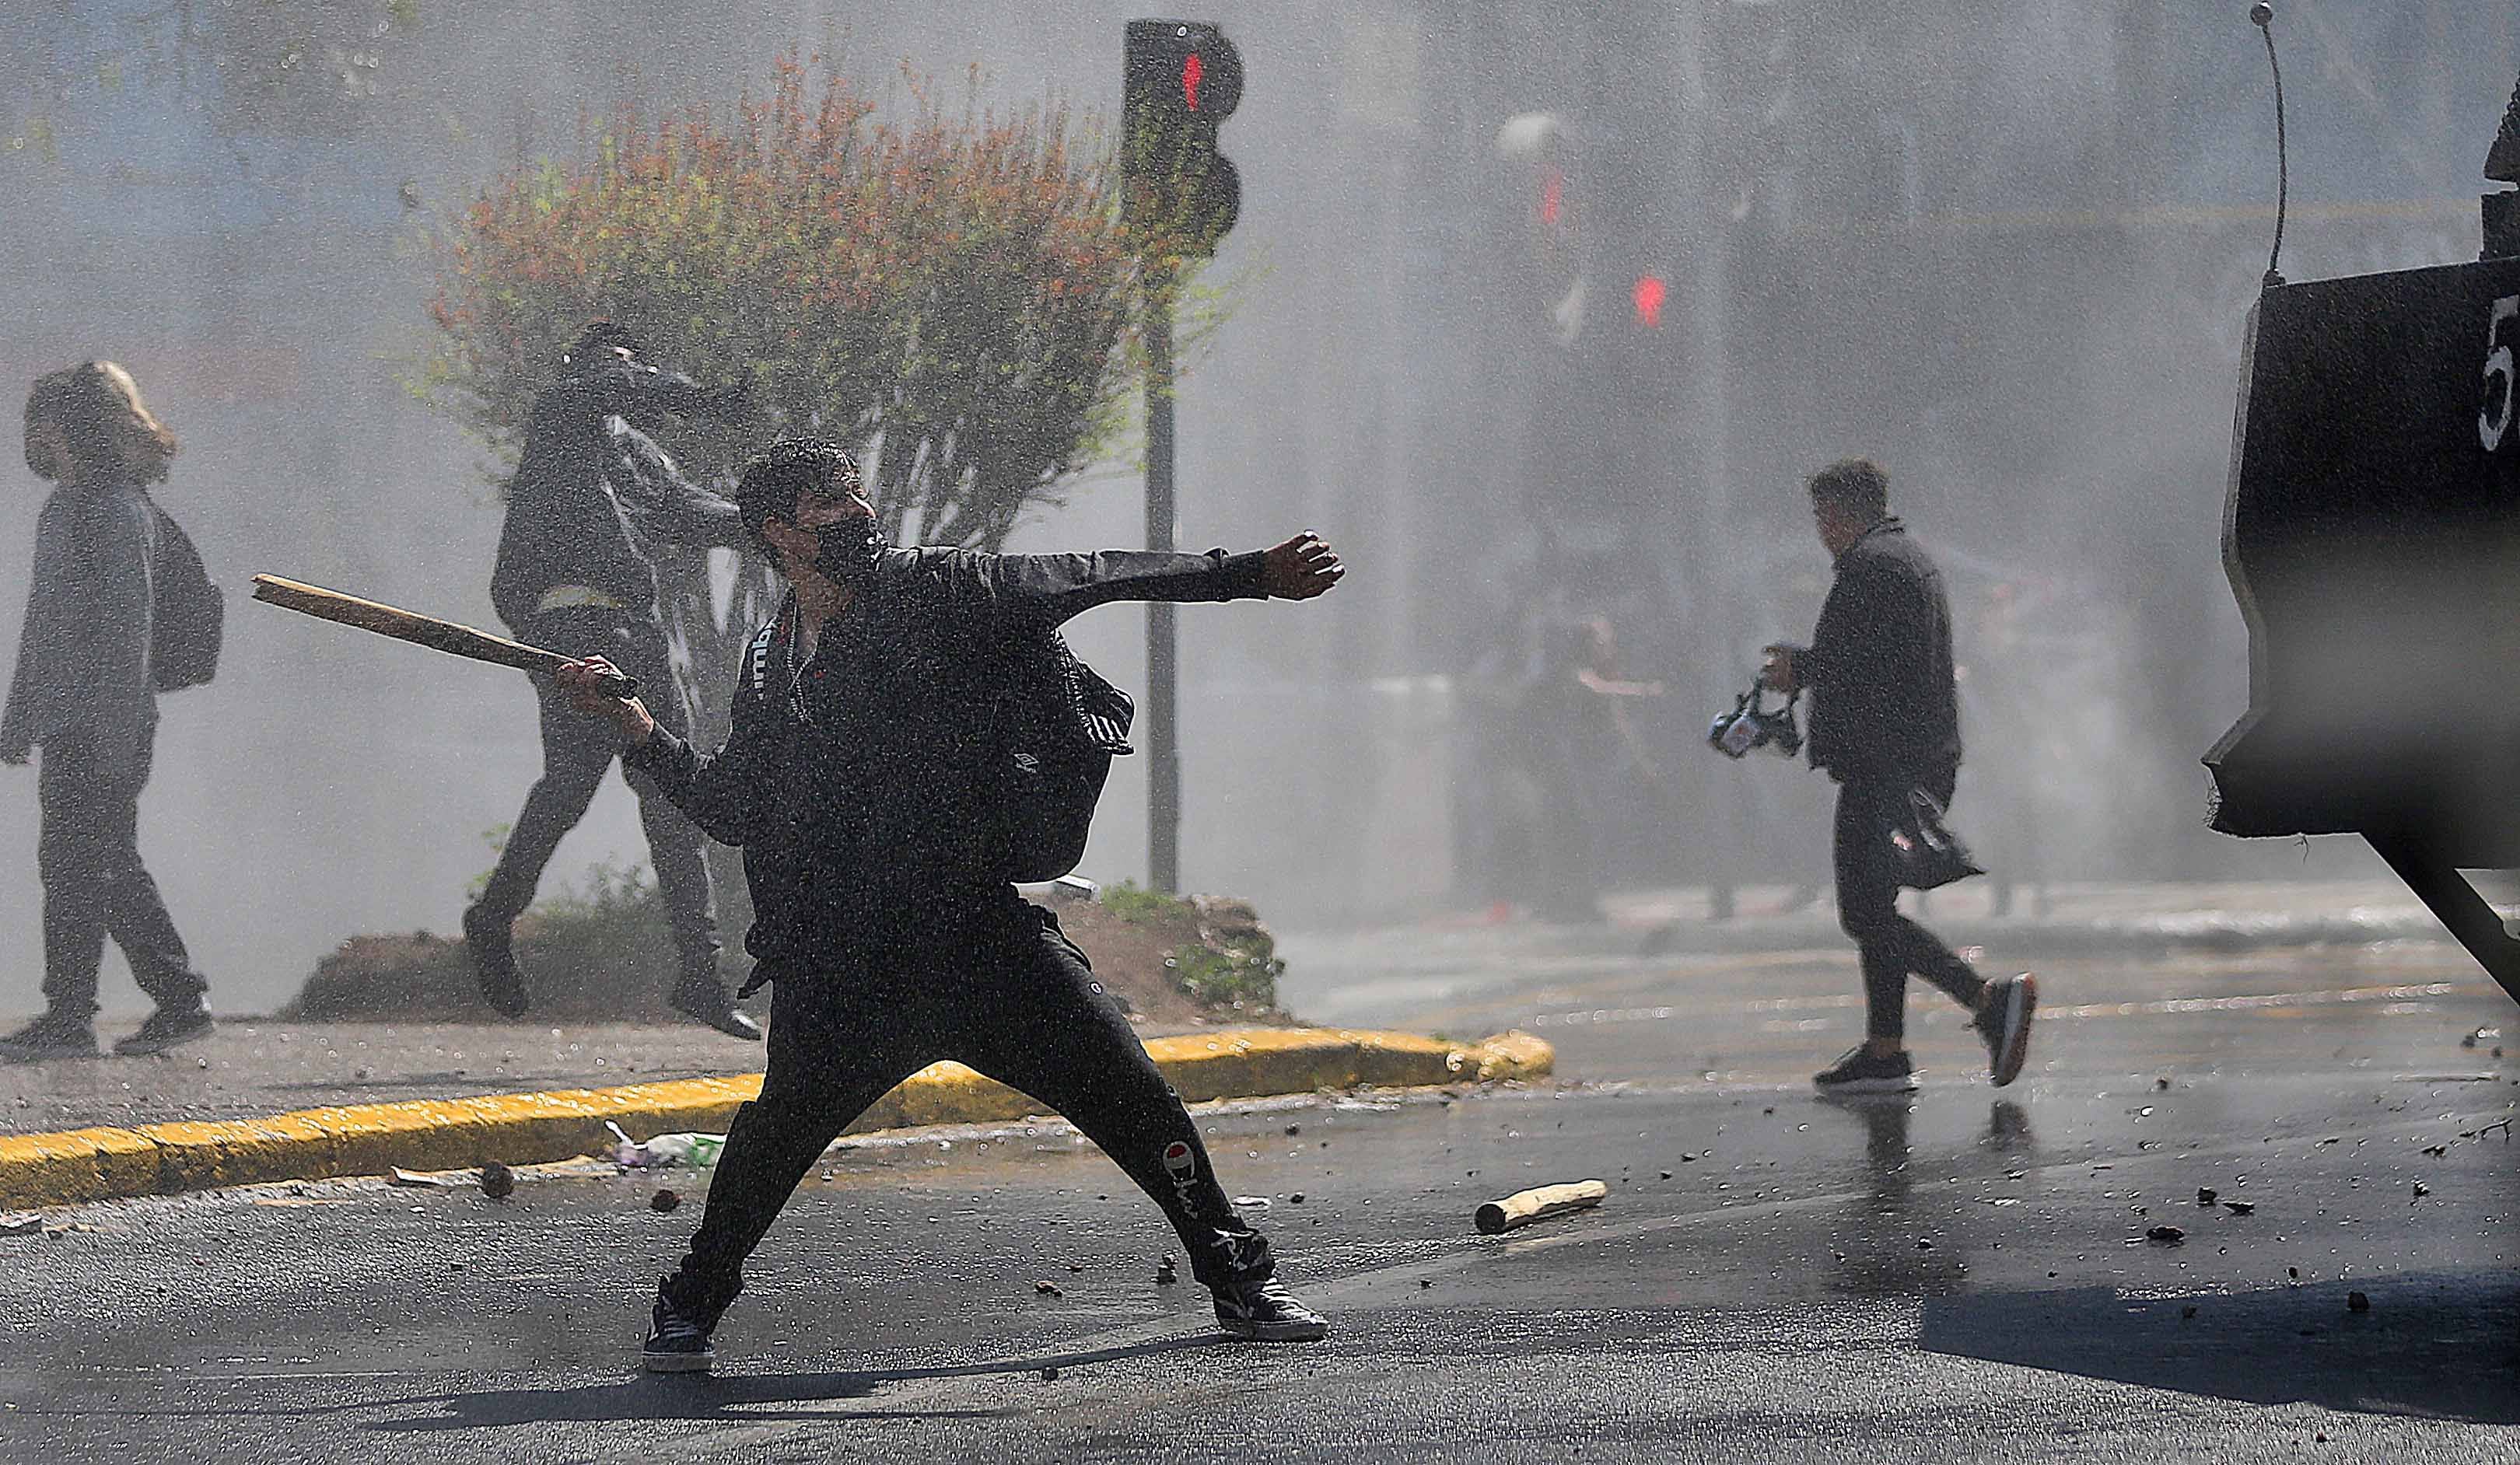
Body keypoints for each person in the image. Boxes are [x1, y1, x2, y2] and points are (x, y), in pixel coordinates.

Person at [555, 438, 1341, 1370]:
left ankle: (1242, 1283)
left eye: (855, 495)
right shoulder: (770, 660)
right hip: (844, 964)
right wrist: (637, 730)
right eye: (826, 505)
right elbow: (735, 806)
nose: (856, 514)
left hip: (977, 940)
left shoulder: (941, 591)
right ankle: (687, 1309)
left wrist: (1247, 574)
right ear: (778, 535)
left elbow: (1086, 576)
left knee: (1136, 1102)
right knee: (766, 1152)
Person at [464, 321, 758, 1037]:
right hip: (570, 629)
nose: (622, 372)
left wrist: (768, 521)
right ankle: (494, 918)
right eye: (609, 363)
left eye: (631, 360)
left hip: (635, 635)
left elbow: (689, 511)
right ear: (584, 369)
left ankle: (700, 975)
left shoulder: (637, 454)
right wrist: (707, 399)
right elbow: (608, 387)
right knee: (574, 783)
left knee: (670, 793)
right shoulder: (561, 417)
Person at [1761, 459, 2035, 1093]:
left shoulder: (1872, 567)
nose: (1819, 530)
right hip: (1906, 758)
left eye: (1821, 516)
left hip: (1886, 764)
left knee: (1863, 911)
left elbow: (1866, 664)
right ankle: (1885, 1051)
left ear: (1836, 513)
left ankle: (1989, 1001)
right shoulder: (1905, 559)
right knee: (1875, 907)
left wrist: (1801, 668)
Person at [0, 363, 216, 1061]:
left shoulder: (116, 513)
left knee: (83, 864)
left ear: (71, 428)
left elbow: (131, 631)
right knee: (94, 863)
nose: (36, 435)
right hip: (70, 722)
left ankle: (73, 1017)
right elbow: (43, 623)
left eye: (47, 421)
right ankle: (176, 999)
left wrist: (120, 736)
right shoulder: (66, 507)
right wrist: (19, 714)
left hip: (107, 723)